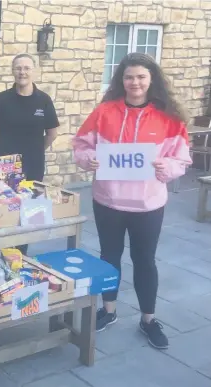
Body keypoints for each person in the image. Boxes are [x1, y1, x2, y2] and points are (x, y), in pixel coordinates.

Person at [72, 52, 192, 350]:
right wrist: (89, 159)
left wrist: (170, 168)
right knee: (109, 257)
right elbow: (81, 146)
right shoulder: (103, 112)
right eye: (129, 77)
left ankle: (148, 320)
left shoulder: (170, 118)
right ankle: (109, 311)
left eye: (140, 76)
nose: (134, 82)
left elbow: (182, 158)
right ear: (120, 80)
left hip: (148, 205)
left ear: (151, 79)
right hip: (107, 201)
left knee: (144, 261)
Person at [0, 53, 60, 255]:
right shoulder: (3, 99)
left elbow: (52, 133)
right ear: (12, 71)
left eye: (26, 68)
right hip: (6, 164)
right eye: (18, 68)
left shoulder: (43, 100)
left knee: (28, 211)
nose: (22, 72)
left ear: (33, 71)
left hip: (33, 164)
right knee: (7, 211)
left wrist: (36, 150)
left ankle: (21, 257)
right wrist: (0, 150)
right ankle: (6, 255)